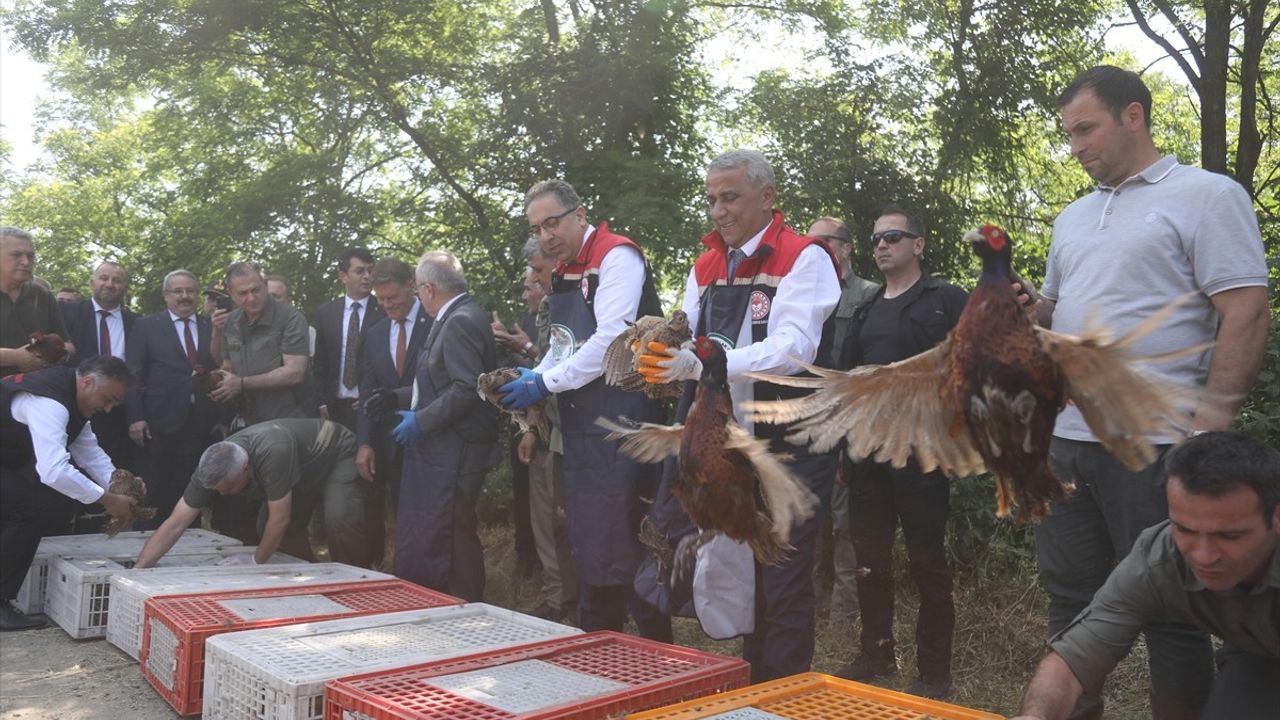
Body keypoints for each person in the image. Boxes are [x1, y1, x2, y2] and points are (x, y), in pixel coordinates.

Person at [1033, 65, 1269, 719]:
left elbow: (1246, 307)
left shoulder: (1205, 194)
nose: (1075, 145)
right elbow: (1050, 315)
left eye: (1086, 129)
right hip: (1066, 443)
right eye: (1069, 134)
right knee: (1070, 595)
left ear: (1133, 116)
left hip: (1155, 442)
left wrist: (1211, 421)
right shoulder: (1072, 217)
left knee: (1175, 609)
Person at [639, 149, 841, 682]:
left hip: (787, 439)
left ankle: (785, 694)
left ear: (767, 197)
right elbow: (685, 340)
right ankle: (753, 686)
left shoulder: (804, 257)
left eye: (729, 197)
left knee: (785, 571)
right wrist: (659, 359)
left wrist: (710, 365)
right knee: (745, 567)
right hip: (725, 443)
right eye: (711, 200)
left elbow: (795, 345)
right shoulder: (705, 264)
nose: (718, 211)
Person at [499, 179, 671, 640]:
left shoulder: (618, 256)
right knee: (590, 543)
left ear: (580, 213)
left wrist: (544, 383)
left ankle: (662, 661)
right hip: (581, 428)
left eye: (552, 222)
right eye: (537, 228)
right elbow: (563, 345)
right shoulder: (562, 271)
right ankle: (597, 650)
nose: (546, 235)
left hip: (625, 421)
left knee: (631, 542)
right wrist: (532, 375)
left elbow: (611, 339)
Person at [1012, 432, 1280, 720]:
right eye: (1185, 530)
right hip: (1260, 653)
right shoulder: (1160, 557)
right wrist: (1036, 717)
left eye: (1229, 536)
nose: (1203, 556)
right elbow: (1071, 662)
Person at [827, 205, 968, 698]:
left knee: (927, 560)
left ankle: (934, 673)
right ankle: (876, 653)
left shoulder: (946, 299)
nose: (882, 245)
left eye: (893, 236)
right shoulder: (866, 311)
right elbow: (849, 386)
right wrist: (845, 453)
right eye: (875, 240)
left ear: (919, 245)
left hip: (924, 452)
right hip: (867, 455)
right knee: (870, 559)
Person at [389, 251, 498, 601]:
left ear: (429, 288)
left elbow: (467, 387)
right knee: (441, 528)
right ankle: (441, 600)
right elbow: (437, 380)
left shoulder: (461, 320)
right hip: (444, 447)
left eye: (419, 293)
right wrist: (396, 397)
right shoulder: (455, 315)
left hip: (459, 448)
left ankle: (467, 607)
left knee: (454, 530)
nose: (419, 300)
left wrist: (420, 421)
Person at [0, 356, 138, 630]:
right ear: (87, 382)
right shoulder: (50, 404)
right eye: (108, 399)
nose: (109, 409)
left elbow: (89, 453)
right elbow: (53, 472)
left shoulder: (73, 401)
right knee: (31, 507)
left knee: (33, 503)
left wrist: (120, 488)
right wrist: (109, 500)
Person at [134, 418, 369, 568]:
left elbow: (281, 518)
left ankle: (358, 581)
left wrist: (255, 561)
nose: (223, 495)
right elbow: (175, 523)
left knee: (339, 516)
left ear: (246, 470)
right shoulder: (212, 467)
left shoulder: (272, 452)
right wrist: (138, 572)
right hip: (300, 472)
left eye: (228, 489)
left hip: (337, 455)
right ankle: (309, 573)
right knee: (265, 526)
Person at [807, 216, 877, 622]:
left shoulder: (868, 295)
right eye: (809, 242)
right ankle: (810, 600)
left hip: (851, 413)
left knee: (845, 519)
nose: (815, 249)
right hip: (807, 410)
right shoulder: (800, 291)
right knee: (809, 514)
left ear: (847, 247)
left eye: (825, 242)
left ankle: (844, 611)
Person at [506, 239, 577, 620]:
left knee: (558, 522)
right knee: (546, 523)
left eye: (536, 271)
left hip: (569, 435)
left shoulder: (573, 302)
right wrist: (531, 428)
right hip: (549, 432)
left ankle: (565, 600)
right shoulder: (554, 305)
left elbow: (557, 369)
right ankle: (557, 598)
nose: (531, 280)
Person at [124, 270, 220, 527]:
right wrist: (135, 417)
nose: (184, 296)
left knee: (191, 490)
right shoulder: (146, 326)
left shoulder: (210, 326)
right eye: (177, 291)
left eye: (190, 291)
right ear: (166, 295)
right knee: (151, 490)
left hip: (199, 423)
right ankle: (143, 548)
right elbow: (133, 374)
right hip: (157, 422)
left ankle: (189, 547)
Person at [355, 257, 431, 569]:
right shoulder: (375, 333)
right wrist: (364, 443)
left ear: (410, 286)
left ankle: (424, 573)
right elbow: (367, 392)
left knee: (424, 515)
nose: (388, 305)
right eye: (381, 299)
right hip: (385, 441)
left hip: (428, 435)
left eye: (393, 298)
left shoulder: (435, 321)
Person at [491, 263, 544, 582]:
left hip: (546, 427)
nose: (524, 295)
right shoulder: (525, 320)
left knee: (546, 501)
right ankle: (526, 557)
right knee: (522, 493)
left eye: (529, 288)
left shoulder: (558, 317)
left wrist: (524, 346)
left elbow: (552, 368)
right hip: (520, 421)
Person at [209, 261, 311, 426]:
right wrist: (219, 384)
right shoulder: (231, 321)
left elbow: (295, 372)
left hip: (287, 419)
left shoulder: (290, 318)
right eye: (243, 293)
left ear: (265, 285)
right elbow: (226, 366)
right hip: (246, 420)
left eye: (256, 290)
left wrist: (242, 383)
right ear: (231, 293)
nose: (251, 298)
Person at [63, 261, 139, 475]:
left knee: (115, 468)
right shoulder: (68, 314)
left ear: (124, 287)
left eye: (117, 280)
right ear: (92, 283)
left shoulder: (138, 323)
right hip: (78, 407)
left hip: (120, 414)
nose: (110, 284)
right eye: (104, 278)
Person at [314, 248, 383, 430]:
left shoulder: (384, 311)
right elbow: (320, 363)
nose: (367, 276)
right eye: (360, 271)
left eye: (370, 270)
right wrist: (321, 402)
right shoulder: (326, 313)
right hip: (333, 406)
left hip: (370, 405)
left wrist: (373, 394)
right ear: (343, 276)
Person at [0, 226, 74, 377]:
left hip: (35, 389)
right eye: (16, 255)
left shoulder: (43, 296)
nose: (26, 262)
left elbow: (69, 346)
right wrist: (15, 357)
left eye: (31, 256)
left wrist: (52, 354)